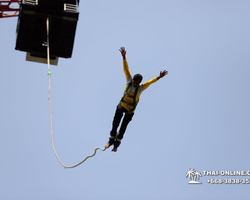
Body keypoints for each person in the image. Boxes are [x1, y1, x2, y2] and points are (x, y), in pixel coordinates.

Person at [105, 47, 168, 152]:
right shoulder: (129, 81)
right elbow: (126, 69)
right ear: (133, 80)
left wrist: (159, 77)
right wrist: (124, 57)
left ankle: (116, 146)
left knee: (123, 128)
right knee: (115, 124)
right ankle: (109, 142)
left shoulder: (141, 87)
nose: (134, 84)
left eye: (136, 83)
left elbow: (150, 82)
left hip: (130, 110)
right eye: (134, 82)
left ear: (139, 83)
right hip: (121, 107)